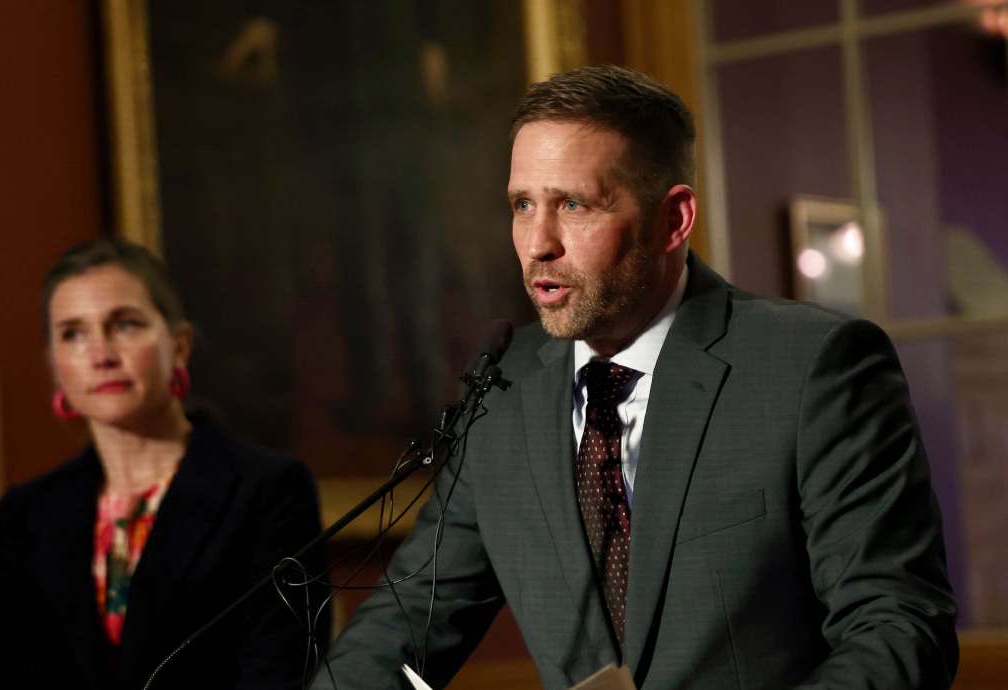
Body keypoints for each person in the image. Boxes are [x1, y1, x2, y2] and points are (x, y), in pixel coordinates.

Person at [313, 66, 958, 689]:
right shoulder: (501, 392)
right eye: (521, 204)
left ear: (673, 220)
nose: (538, 242)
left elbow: (898, 630)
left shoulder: (813, 366)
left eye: (573, 204)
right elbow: (402, 630)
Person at [0, 239, 328, 689]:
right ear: (55, 364)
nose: (101, 355)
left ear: (180, 346)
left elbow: (280, 673)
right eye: (73, 334)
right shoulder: (22, 518)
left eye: (125, 325)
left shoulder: (268, 491)